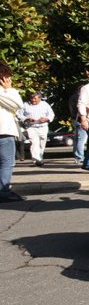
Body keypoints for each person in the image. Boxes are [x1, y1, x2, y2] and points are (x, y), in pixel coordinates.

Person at [0, 64, 24, 202]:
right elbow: (17, 104)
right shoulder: (3, 92)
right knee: (6, 163)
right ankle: (3, 191)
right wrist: (9, 89)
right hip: (3, 132)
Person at [16, 91, 54, 167]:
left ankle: (39, 158)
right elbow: (18, 114)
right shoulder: (25, 105)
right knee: (34, 143)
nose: (33, 100)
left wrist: (46, 119)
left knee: (42, 144)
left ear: (40, 98)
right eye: (32, 98)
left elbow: (51, 114)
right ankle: (36, 160)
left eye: (35, 98)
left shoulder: (45, 104)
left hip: (43, 126)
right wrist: (26, 119)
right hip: (31, 127)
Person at [68, 85, 87, 165]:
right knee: (81, 139)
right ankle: (80, 157)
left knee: (77, 139)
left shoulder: (72, 97)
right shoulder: (80, 98)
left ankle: (77, 157)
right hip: (80, 119)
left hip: (74, 119)